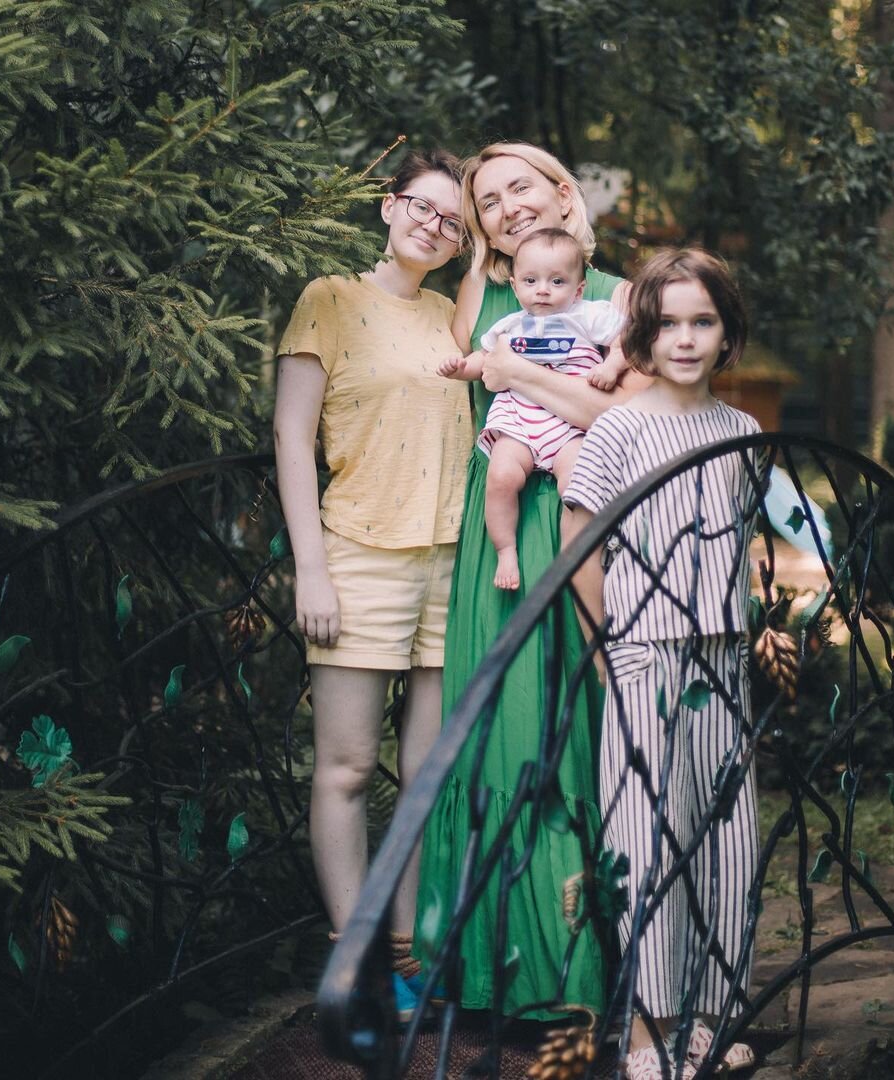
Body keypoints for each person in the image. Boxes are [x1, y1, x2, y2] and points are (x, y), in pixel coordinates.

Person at [414, 142, 651, 1021]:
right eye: (489, 200)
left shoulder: (616, 295)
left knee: (579, 730)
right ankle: (491, 973)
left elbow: (627, 411)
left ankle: (591, 976)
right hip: (501, 533)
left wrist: (519, 374)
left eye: (521, 187)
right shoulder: (482, 293)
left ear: (560, 193)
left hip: (586, 516)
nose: (508, 206)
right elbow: (450, 388)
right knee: (505, 732)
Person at [272, 149, 473, 1018]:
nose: (435, 226)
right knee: (349, 767)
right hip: (357, 555)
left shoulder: (451, 317)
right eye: (423, 207)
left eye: (453, 222)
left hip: (450, 562)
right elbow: (291, 437)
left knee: (425, 774)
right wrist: (311, 568)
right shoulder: (329, 298)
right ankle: (352, 965)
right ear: (389, 206)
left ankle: (406, 952)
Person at [562, 247, 762, 1079]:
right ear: (643, 334)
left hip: (723, 658)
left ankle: (711, 1015)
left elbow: (742, 540)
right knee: (648, 839)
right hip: (644, 653)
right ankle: (649, 1029)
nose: (685, 339)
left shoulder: (743, 432)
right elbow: (580, 542)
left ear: (725, 333)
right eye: (669, 323)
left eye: (702, 322)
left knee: (726, 840)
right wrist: (604, 648)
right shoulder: (620, 427)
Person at [437, 227, 627, 590]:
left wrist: (611, 366)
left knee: (578, 482)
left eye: (557, 281)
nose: (543, 289)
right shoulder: (511, 324)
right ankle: (506, 550)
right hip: (520, 420)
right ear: (515, 286)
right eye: (531, 280)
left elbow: (625, 342)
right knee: (500, 476)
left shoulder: (587, 315)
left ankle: (586, 552)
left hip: (568, 424)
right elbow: (484, 358)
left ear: (578, 289)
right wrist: (462, 368)